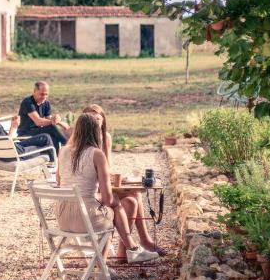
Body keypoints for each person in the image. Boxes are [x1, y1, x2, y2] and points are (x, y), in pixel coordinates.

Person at [57, 112, 159, 264]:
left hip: (63, 219)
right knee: (114, 206)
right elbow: (107, 199)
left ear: (76, 130)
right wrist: (105, 198)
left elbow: (59, 182)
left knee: (110, 208)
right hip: (85, 222)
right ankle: (128, 252)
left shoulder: (63, 151)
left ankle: (126, 254)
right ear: (96, 131)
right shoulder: (97, 154)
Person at [83, 103, 165, 257]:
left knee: (132, 198)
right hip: (92, 190)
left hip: (101, 184)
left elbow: (107, 166)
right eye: (91, 119)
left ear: (103, 120)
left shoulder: (105, 137)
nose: (95, 122)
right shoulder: (82, 141)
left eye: (98, 119)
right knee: (133, 197)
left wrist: (115, 177)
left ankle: (129, 248)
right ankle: (139, 243)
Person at [0, 95, 56, 162]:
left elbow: (5, 142)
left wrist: (12, 126)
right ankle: (53, 164)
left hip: (8, 152)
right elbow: (7, 143)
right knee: (46, 145)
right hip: (16, 154)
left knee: (45, 137)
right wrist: (13, 127)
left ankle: (52, 163)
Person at [18, 81, 68, 154]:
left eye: (46, 94)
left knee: (53, 133)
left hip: (37, 132)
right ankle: (69, 145)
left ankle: (56, 157)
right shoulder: (28, 102)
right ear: (34, 91)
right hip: (25, 134)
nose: (44, 97)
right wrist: (57, 122)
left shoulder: (46, 103)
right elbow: (38, 122)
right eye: (41, 94)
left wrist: (57, 119)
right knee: (51, 128)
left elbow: (49, 119)